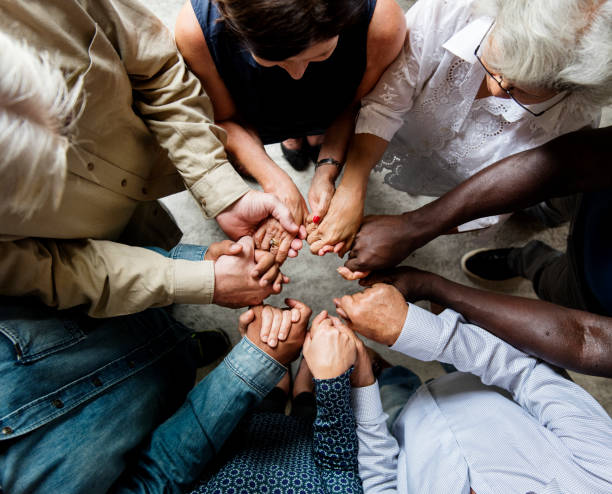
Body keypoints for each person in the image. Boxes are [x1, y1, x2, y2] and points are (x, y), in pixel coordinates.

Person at [0, 0, 302, 317]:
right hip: (77, 251)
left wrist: (222, 191)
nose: (64, 166)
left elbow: (159, 71)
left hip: (148, 200)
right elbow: (46, 271)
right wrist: (191, 281)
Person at [307, 0, 612, 256]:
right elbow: (385, 103)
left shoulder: (575, 125)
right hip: (397, 136)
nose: (496, 88)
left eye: (521, 91)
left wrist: (409, 229)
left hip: (451, 184)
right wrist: (351, 186)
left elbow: (492, 203)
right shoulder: (450, 11)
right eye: (495, 66)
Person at [340, 127, 612, 376]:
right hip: (595, 192)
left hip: (593, 295)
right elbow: (570, 162)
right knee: (556, 196)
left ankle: (526, 261)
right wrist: (414, 226)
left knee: (552, 281)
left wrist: (430, 286)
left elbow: (584, 337)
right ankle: (536, 218)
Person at [0, 295, 311, 493]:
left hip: (122, 319)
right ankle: (185, 351)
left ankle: (185, 345)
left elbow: (50, 269)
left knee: (164, 335)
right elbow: (156, 477)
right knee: (175, 366)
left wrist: (196, 274)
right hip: (161, 399)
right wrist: (253, 361)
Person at [333, 283, 612, 493]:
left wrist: (364, 385)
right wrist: (415, 329)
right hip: (482, 381)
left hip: (404, 436)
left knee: (393, 387)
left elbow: (380, 484)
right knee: (463, 338)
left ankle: (386, 372)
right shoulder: (602, 476)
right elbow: (528, 375)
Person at [174, 0, 406, 246]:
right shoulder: (197, 34)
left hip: (332, 104)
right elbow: (226, 118)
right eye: (275, 60)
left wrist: (328, 169)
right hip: (258, 111)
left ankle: (316, 137)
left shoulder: (383, 25)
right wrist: (275, 181)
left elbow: (358, 104)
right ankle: (293, 136)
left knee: (323, 125)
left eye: (322, 53)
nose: (297, 74)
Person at [188, 310, 364, 494]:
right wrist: (331, 382)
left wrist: (250, 361)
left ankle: (278, 385)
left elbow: (194, 452)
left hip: (244, 445)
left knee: (261, 413)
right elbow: (340, 471)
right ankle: (302, 391)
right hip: (310, 454)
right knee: (307, 414)